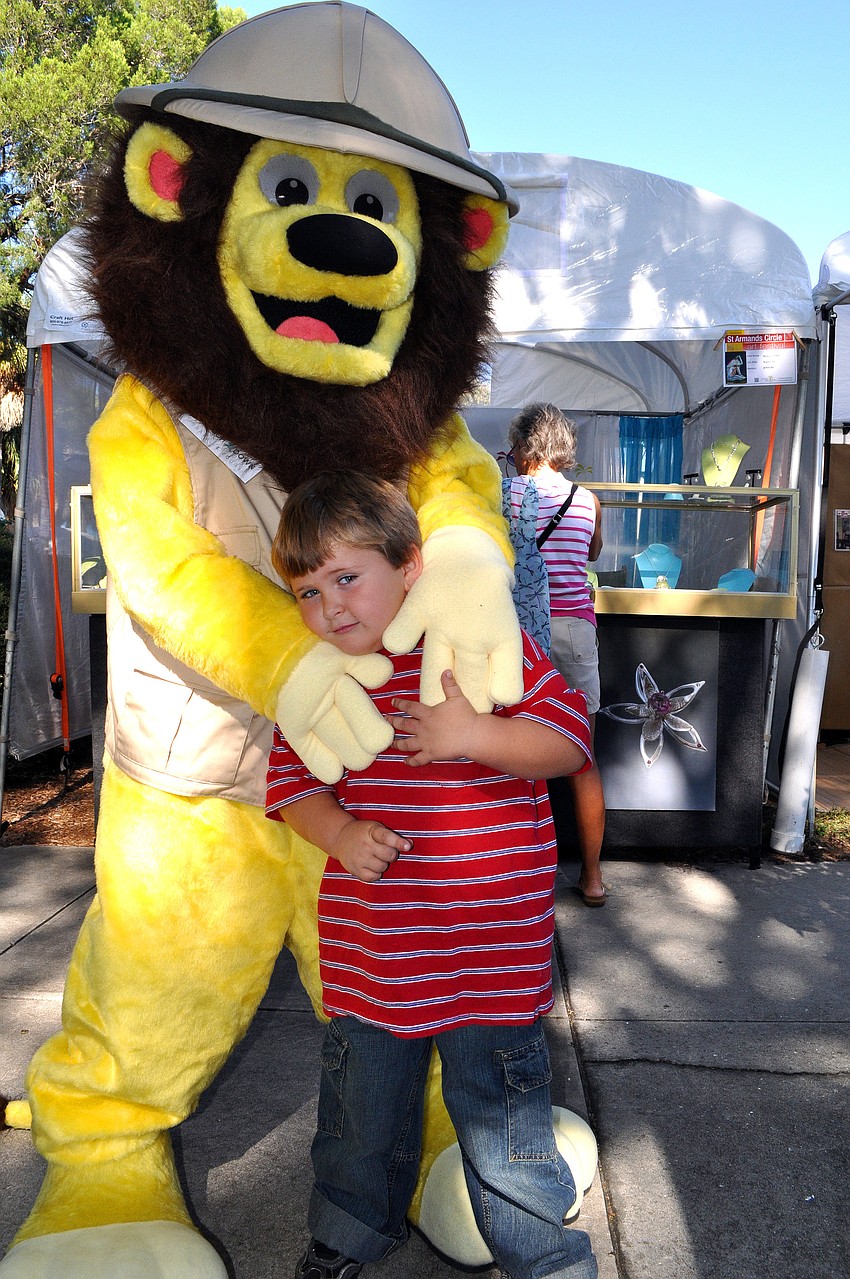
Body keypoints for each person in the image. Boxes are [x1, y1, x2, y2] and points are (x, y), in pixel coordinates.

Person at [266, 470, 598, 1279]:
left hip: (491, 964)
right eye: (307, 592)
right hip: (377, 962)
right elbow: (291, 785)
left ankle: (544, 1255)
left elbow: (570, 741)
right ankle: (344, 1237)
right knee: (359, 1121)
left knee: (505, 1125)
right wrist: (339, 830)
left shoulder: (478, 646)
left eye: (347, 577)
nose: (330, 607)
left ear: (411, 565)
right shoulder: (324, 683)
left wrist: (475, 732)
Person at [506, 403, 607, 907]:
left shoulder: (504, 493)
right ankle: (592, 878)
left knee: (510, 747)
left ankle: (519, 878)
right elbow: (593, 552)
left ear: (522, 446)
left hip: (521, 631)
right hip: (575, 631)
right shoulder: (587, 499)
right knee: (582, 755)